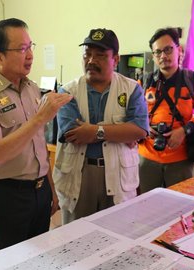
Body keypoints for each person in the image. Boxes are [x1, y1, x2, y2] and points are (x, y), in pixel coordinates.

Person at [0, 18, 72, 251]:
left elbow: (39, 145)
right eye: (22, 49)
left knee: (40, 256)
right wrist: (40, 118)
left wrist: (50, 188)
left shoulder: (31, 88)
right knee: (12, 259)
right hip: (7, 194)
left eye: (31, 46)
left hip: (40, 189)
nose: (31, 55)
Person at [52, 28, 149, 225]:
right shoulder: (67, 92)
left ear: (116, 59)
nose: (91, 61)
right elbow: (72, 133)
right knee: (76, 237)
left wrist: (95, 131)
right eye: (87, 54)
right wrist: (121, 131)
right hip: (80, 173)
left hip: (117, 173)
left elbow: (139, 129)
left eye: (100, 56)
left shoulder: (131, 89)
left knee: (117, 233)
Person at [138, 27, 194, 193]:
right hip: (147, 157)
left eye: (168, 49)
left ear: (178, 50)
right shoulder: (144, 82)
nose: (163, 56)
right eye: (158, 52)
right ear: (153, 56)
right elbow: (133, 113)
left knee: (178, 208)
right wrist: (144, 126)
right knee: (146, 208)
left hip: (180, 160)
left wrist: (184, 131)